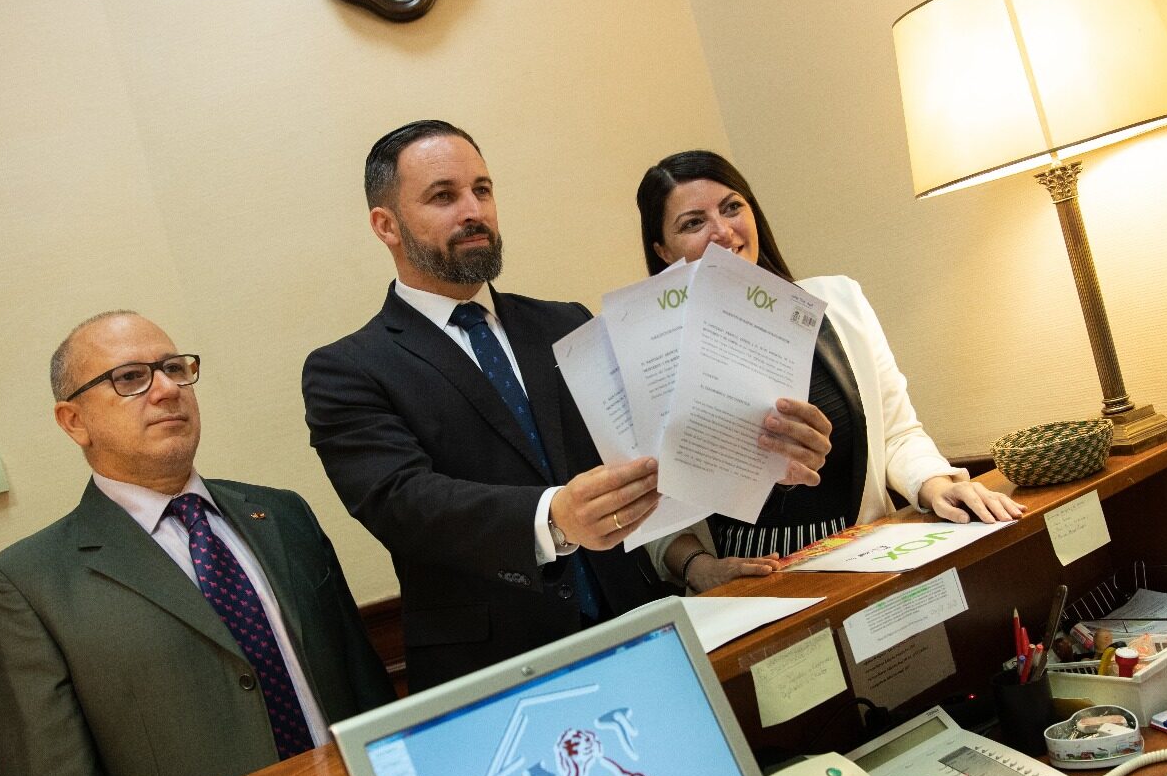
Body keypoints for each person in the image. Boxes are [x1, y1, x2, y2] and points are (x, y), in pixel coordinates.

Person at [305, 121, 830, 692]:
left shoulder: (565, 324)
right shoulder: (348, 369)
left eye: (482, 190)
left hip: (641, 630)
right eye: (443, 196)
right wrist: (553, 517)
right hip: (497, 667)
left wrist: (743, 480)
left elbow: (646, 456)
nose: (473, 211)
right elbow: (402, 502)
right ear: (386, 225)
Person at [0, 311, 393, 776]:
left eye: (174, 368)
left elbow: (364, 687)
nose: (167, 389)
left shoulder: (283, 514)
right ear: (73, 421)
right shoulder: (25, 587)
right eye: (130, 378)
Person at [636, 151, 1023, 592]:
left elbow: (897, 434)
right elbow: (652, 510)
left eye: (731, 207)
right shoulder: (652, 358)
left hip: (872, 554)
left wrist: (935, 485)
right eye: (693, 223)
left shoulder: (838, 304)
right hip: (751, 582)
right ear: (663, 251)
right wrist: (699, 567)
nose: (723, 232)